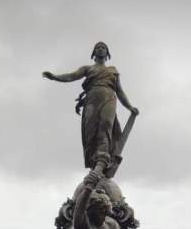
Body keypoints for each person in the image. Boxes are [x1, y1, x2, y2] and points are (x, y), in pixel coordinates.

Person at [42, 41, 139, 176]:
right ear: (93, 53)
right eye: (98, 48)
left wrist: (129, 107)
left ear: (107, 53)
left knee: (106, 127)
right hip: (92, 101)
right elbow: (71, 76)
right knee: (91, 133)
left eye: (103, 48)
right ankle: (95, 164)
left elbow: (120, 92)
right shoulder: (88, 69)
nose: (100, 49)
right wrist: (55, 77)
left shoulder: (113, 71)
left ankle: (102, 161)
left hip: (109, 98)